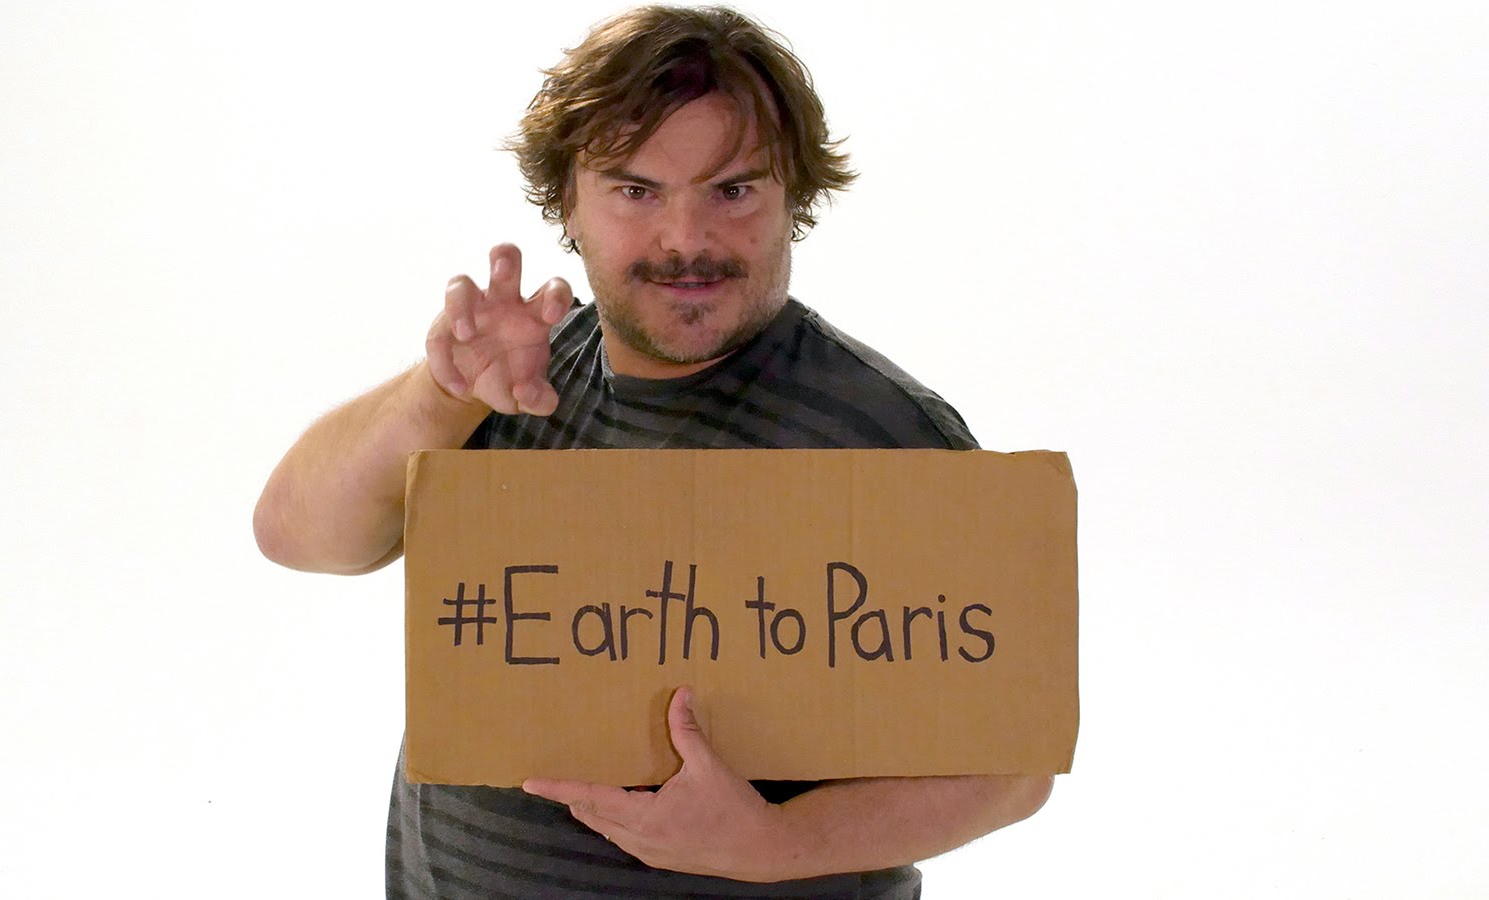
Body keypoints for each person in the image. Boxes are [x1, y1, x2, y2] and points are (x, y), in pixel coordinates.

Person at [253, 5, 1052, 897]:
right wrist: (439, 397)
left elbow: (1012, 767)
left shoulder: (886, 435)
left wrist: (774, 843)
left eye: (733, 190)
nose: (687, 240)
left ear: (794, 197)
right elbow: (294, 535)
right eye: (636, 192)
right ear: (568, 203)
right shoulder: (509, 380)